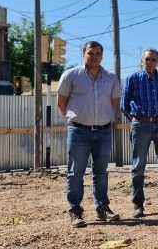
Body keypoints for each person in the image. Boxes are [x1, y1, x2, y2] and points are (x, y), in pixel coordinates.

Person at [57, 41, 121, 228]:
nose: (94, 57)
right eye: (90, 53)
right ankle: (75, 211)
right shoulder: (71, 75)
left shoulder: (111, 78)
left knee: (101, 171)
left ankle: (102, 208)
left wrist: (103, 119)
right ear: (83, 54)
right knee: (75, 172)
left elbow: (114, 102)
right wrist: (77, 119)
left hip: (103, 132)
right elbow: (62, 102)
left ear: (102, 56)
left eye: (98, 53)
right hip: (79, 131)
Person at [121, 48, 158, 218]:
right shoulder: (132, 78)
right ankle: (138, 204)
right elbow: (124, 105)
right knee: (138, 165)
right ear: (142, 60)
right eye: (148, 59)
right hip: (141, 124)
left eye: (154, 59)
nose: (151, 62)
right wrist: (136, 119)